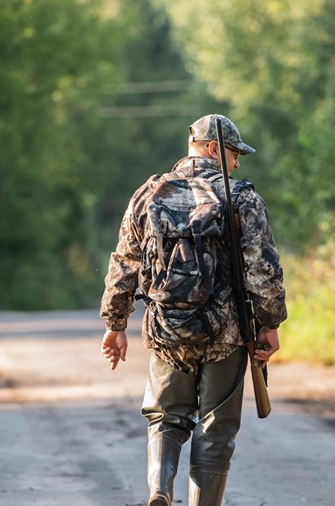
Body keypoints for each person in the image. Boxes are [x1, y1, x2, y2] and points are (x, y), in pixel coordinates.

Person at [100, 114, 287, 506]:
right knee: (215, 431)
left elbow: (125, 262)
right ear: (214, 148)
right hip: (226, 333)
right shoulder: (243, 198)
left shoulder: (149, 194)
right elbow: (263, 269)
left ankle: (159, 489)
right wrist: (269, 323)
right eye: (235, 154)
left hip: (167, 330)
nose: (237, 163)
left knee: (165, 417)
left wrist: (116, 324)